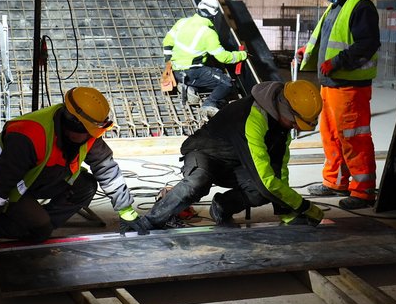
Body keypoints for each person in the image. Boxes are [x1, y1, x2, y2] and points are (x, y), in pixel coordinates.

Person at [0, 86, 145, 255]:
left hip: (37, 177)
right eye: (90, 132)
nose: (93, 137)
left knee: (86, 185)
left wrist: (126, 210)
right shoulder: (29, 136)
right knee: (40, 230)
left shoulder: (86, 133)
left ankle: (41, 223)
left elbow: (106, 168)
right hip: (1, 185)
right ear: (73, 124)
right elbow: (0, 184)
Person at [135, 80, 326, 231]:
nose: (294, 127)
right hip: (205, 153)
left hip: (235, 162)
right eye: (294, 123)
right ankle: (150, 221)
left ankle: (222, 206)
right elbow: (265, 180)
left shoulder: (281, 126)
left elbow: (279, 169)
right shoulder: (254, 118)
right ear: (284, 109)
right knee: (198, 182)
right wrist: (304, 206)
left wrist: (288, 212)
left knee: (261, 192)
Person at [298, 0, 381, 210]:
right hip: (332, 85)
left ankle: (363, 191)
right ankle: (335, 182)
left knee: (354, 139)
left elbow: (367, 44)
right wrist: (309, 52)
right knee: (331, 137)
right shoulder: (336, 5)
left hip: (350, 87)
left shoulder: (360, 6)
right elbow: (330, 38)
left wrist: (336, 62)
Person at [162, 0, 248, 117]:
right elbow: (223, 57)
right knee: (226, 83)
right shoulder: (208, 33)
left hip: (176, 72)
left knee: (215, 72)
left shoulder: (182, 22)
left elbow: (167, 42)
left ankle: (188, 87)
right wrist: (241, 55)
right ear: (214, 14)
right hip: (193, 72)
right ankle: (209, 104)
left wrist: (168, 61)